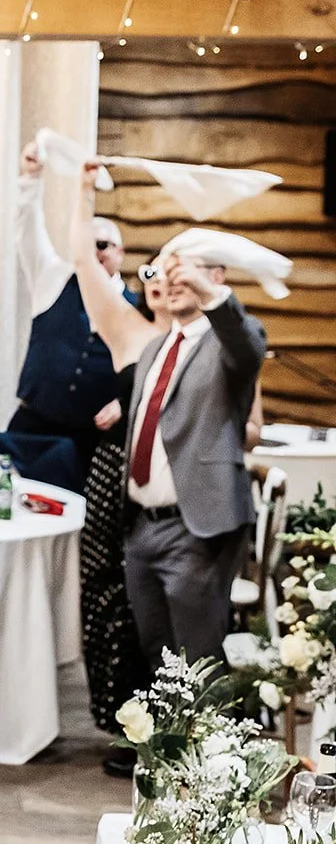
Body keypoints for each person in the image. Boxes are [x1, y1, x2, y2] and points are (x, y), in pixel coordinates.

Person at [65, 160, 169, 776]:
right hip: (113, 474)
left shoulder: (198, 337)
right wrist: (82, 191)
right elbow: (83, 260)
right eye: (153, 274)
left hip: (163, 488)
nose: (160, 283)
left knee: (150, 605)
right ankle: (125, 725)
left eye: (171, 273)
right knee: (105, 595)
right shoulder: (127, 328)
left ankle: (170, 734)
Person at [123, 242, 265, 673]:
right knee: (158, 658)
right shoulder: (154, 350)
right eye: (166, 272)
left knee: (199, 663)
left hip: (196, 528)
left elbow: (246, 344)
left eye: (184, 271)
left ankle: (209, 742)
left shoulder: (231, 344)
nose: (171, 280)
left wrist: (205, 292)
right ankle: (168, 743)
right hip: (140, 527)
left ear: (215, 278)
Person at [9, 142, 140, 490]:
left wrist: (124, 403)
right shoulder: (53, 278)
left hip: (90, 444)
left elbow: (149, 369)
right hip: (31, 428)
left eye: (102, 245)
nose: (93, 253)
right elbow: (27, 231)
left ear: (120, 253)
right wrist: (31, 176)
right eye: (87, 244)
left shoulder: (137, 308)